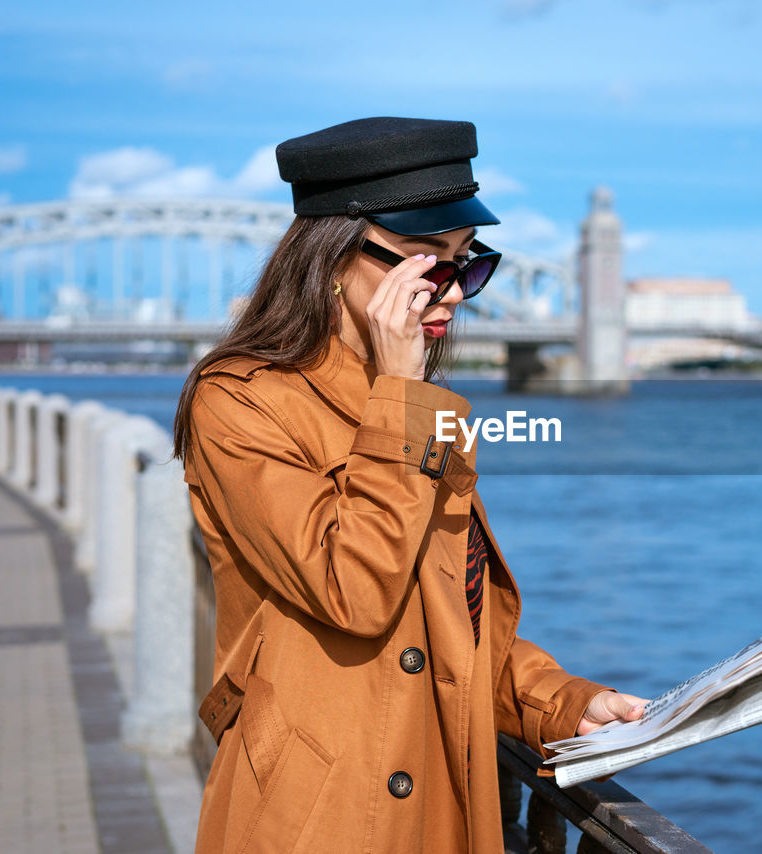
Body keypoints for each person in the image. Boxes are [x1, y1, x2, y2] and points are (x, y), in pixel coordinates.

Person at [172, 117, 646, 854]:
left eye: (469, 265)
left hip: (443, 810)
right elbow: (355, 592)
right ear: (334, 258)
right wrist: (401, 394)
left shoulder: (415, 405)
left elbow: (451, 623)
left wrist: (565, 705)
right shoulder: (239, 401)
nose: (455, 295)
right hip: (317, 813)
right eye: (430, 268)